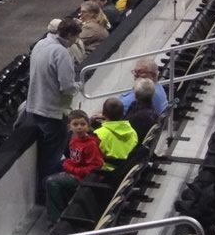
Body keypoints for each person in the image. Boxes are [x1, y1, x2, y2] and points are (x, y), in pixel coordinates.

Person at [26, 19, 81, 185]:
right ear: (70, 34)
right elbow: (67, 86)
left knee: (46, 155)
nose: (76, 42)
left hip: (36, 106)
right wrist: (79, 86)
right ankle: (47, 192)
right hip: (53, 111)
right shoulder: (61, 52)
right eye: (75, 37)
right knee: (51, 158)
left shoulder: (40, 44)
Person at [45, 110, 103, 221]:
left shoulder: (91, 144)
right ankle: (61, 211)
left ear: (88, 125)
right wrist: (69, 165)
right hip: (75, 173)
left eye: (83, 124)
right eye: (75, 124)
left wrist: (71, 168)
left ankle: (54, 221)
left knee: (52, 182)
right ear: (69, 127)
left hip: (83, 178)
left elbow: (96, 167)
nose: (79, 127)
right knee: (48, 178)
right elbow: (73, 160)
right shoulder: (73, 139)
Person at [94, 96, 139, 165]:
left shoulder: (98, 134)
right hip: (128, 166)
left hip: (109, 171)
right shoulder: (132, 131)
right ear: (123, 113)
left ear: (103, 114)